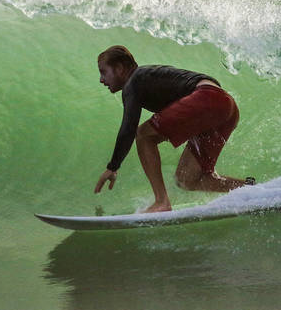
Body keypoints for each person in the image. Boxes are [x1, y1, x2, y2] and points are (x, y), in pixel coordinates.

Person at [94, 45, 251, 213]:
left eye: (104, 72)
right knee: (186, 179)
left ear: (119, 68)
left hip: (208, 98)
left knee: (143, 135)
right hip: (225, 106)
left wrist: (113, 167)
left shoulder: (133, 81)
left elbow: (129, 128)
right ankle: (251, 189)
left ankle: (161, 202)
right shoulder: (147, 77)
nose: (101, 80)